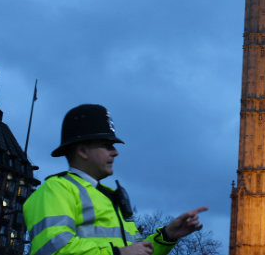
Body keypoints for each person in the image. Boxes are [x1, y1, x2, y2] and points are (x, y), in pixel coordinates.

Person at [24, 104, 208, 255]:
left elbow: (137, 251)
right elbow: (54, 250)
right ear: (82, 151)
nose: (115, 152)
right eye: (107, 145)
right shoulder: (55, 190)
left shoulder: (110, 197)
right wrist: (119, 253)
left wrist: (168, 235)